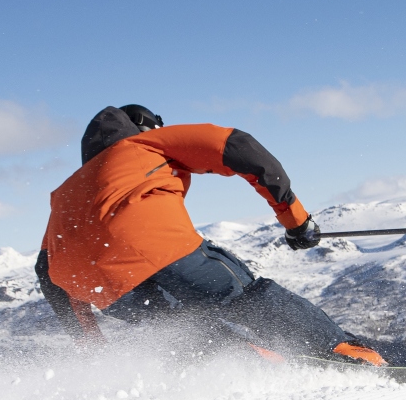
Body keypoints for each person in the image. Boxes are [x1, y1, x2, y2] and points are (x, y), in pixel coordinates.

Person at [35, 104, 385, 365]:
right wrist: (296, 221)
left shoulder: (65, 191)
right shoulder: (144, 144)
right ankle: (342, 352)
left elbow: (46, 271)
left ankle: (243, 362)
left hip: (98, 284)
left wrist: (91, 345)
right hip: (156, 246)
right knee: (247, 299)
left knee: (181, 326)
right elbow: (239, 147)